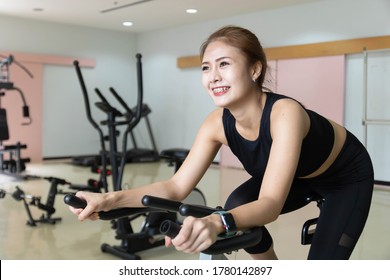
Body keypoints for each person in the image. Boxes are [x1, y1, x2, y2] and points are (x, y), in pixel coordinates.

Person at [69, 26, 374, 260]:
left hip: (345, 178)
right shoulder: (216, 123)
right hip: (299, 176)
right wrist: (109, 200)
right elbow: (175, 188)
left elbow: (270, 204)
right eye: (205, 67)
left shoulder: (285, 114)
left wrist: (217, 223)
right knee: (237, 205)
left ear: (255, 70)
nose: (213, 76)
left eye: (224, 64)